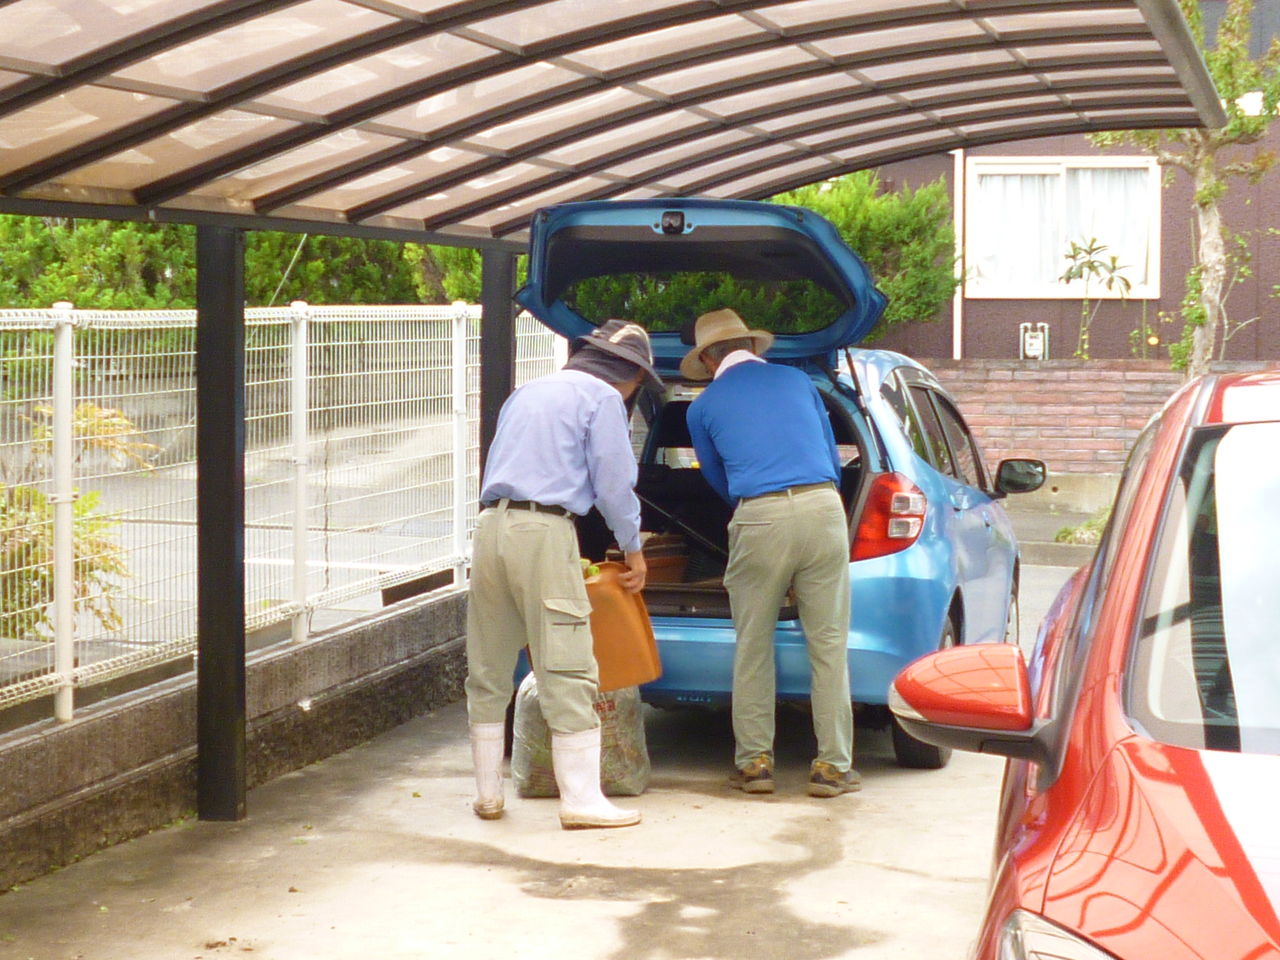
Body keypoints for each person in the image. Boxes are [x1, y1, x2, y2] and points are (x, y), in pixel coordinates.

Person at [465, 319, 662, 829]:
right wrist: (633, 549)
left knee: (487, 665)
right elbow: (614, 485)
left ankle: (488, 794)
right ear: (633, 377)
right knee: (568, 662)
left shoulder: (528, 392)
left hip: (490, 526)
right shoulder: (603, 399)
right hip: (545, 530)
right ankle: (581, 800)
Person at [683, 308, 859, 798]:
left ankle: (755, 763)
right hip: (823, 506)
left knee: (753, 644)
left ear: (708, 358)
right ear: (752, 346)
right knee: (828, 644)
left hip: (759, 514)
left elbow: (715, 476)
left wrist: (754, 506)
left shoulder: (703, 406)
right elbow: (831, 457)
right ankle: (832, 767)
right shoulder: (800, 382)